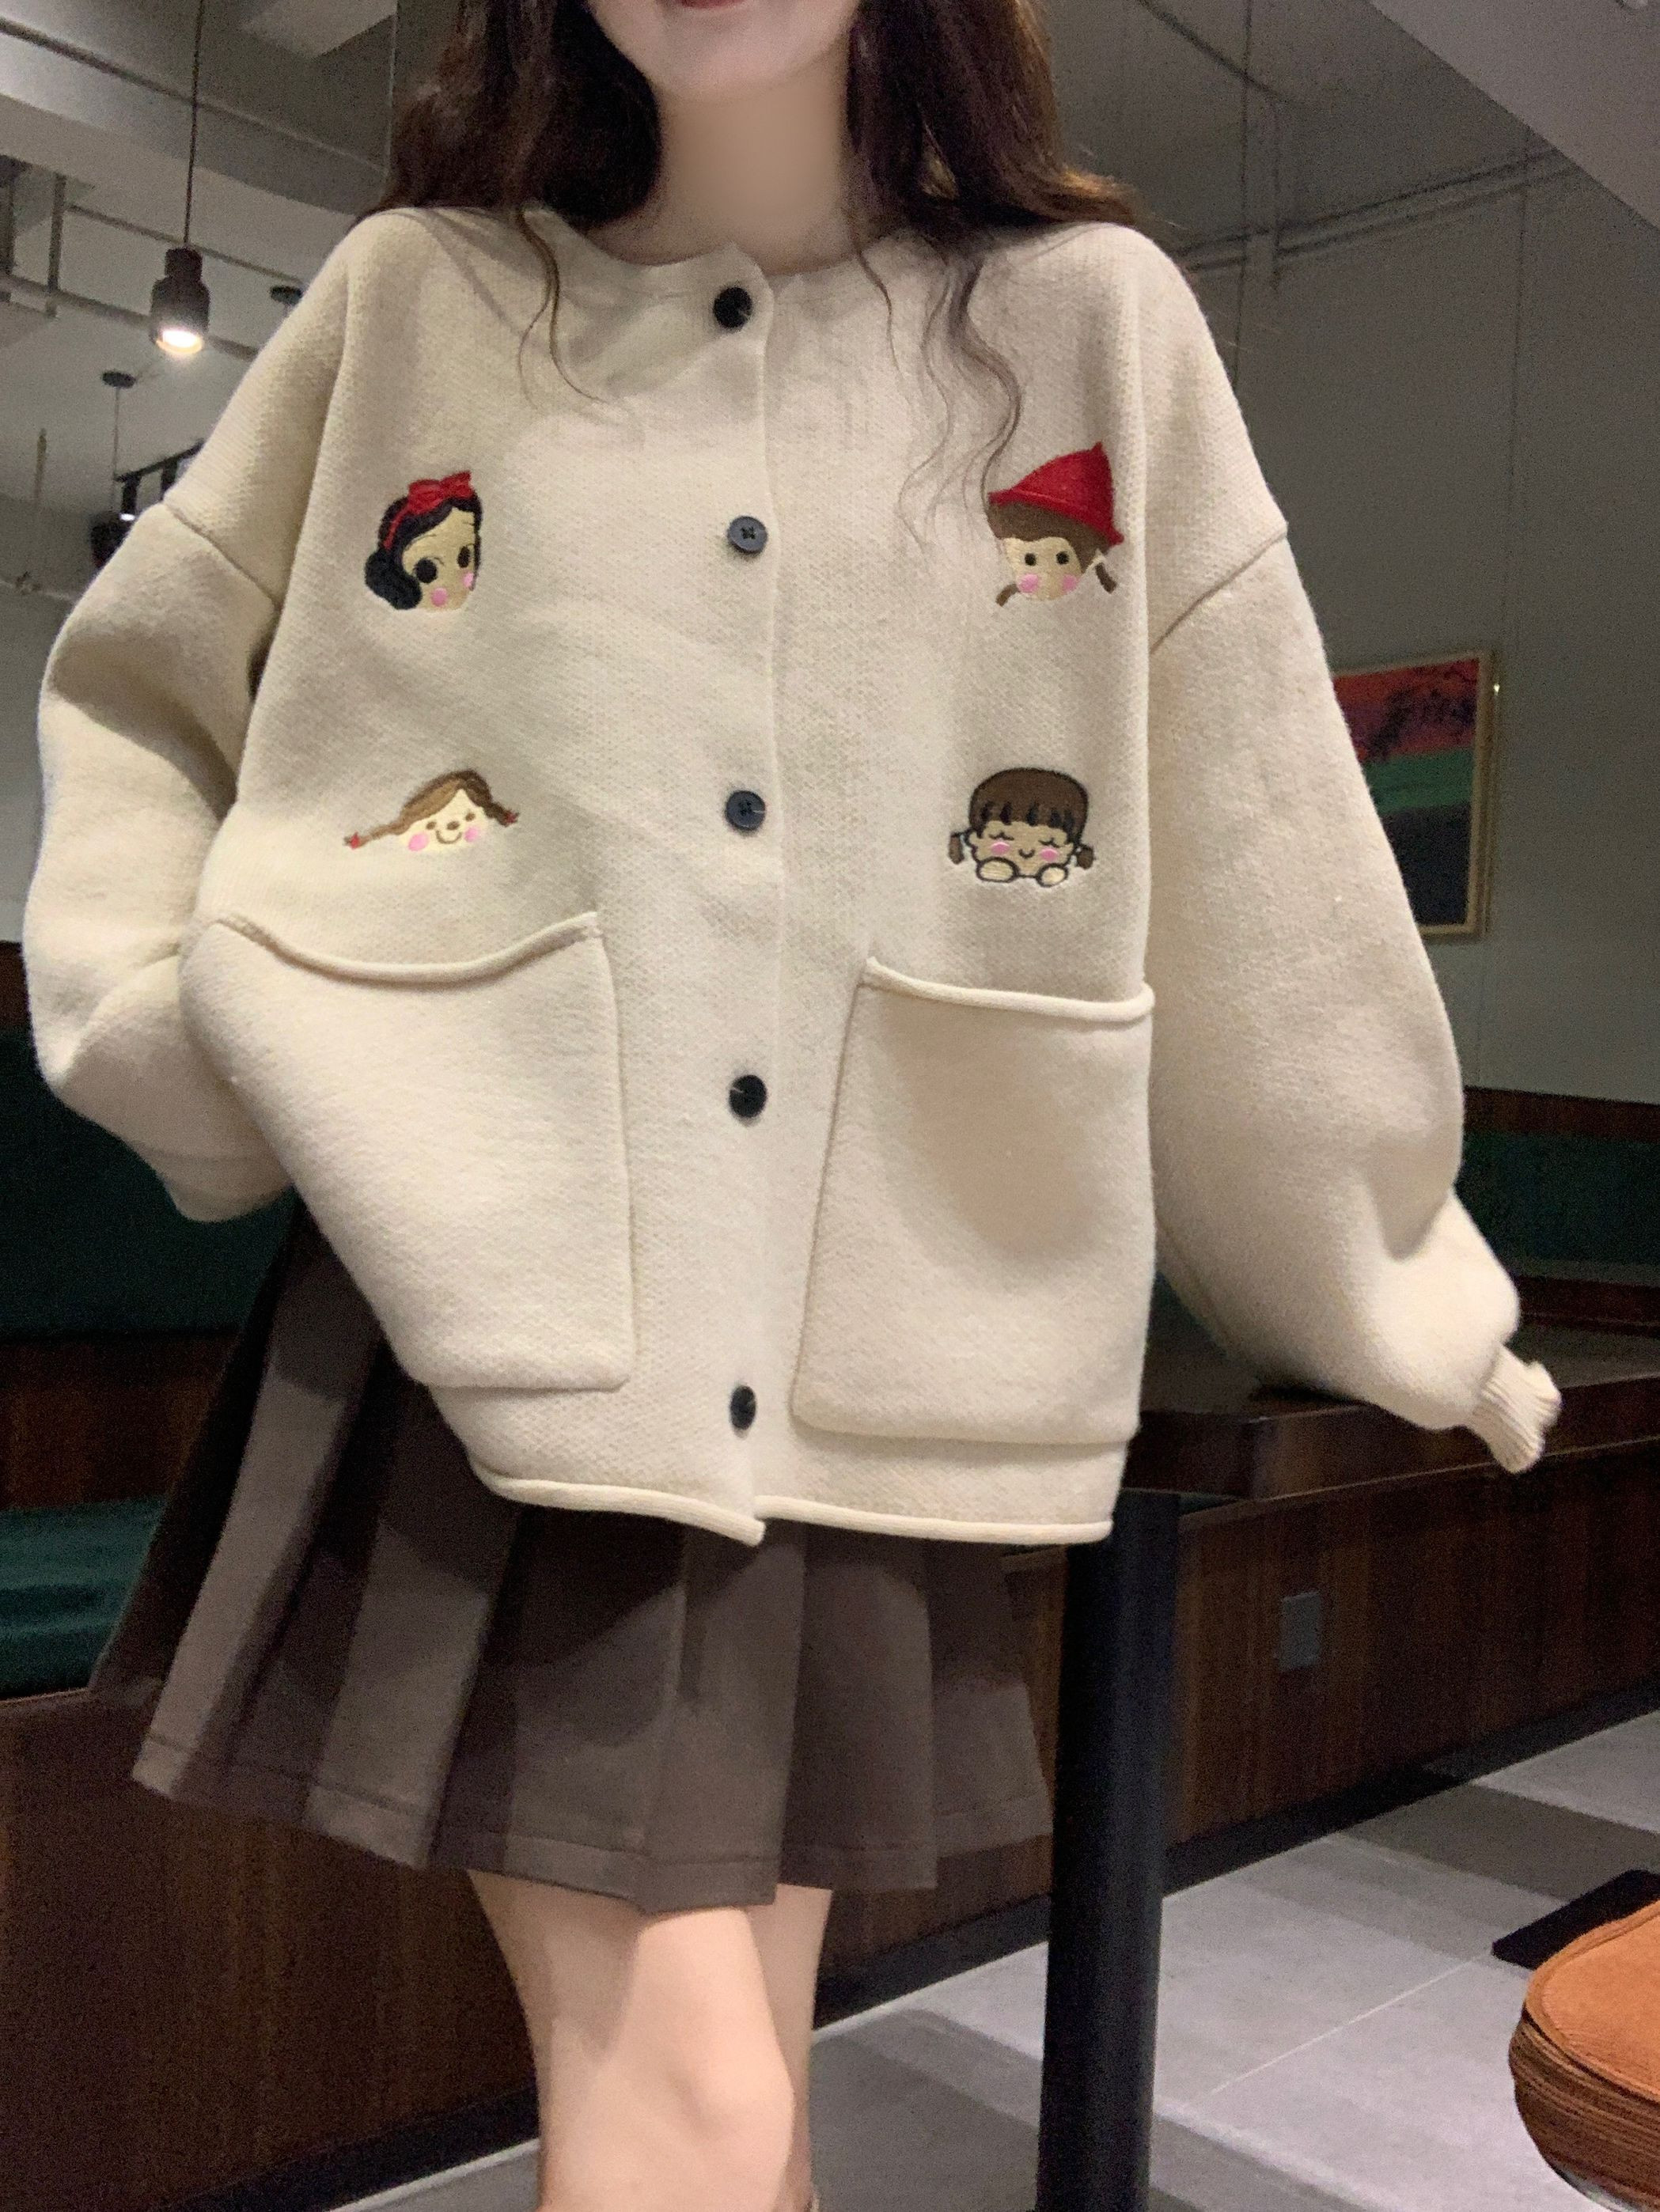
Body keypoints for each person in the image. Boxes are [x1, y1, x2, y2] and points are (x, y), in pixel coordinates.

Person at [19, 2, 1564, 2210]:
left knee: (714, 2102)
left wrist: (1388, 1275)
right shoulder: (420, 306)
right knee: (699, 2104)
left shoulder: (1087, 330)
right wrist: (192, 1032)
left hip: (871, 1370)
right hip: (494, 1322)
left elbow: (1258, 860)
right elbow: (145, 686)